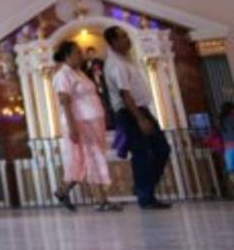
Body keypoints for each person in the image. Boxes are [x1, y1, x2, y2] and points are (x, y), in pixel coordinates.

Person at [102, 26, 172, 209]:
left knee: (162, 149)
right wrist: (140, 119)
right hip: (130, 113)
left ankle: (143, 188)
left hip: (140, 110)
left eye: (126, 36)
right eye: (123, 37)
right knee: (142, 154)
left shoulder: (125, 60)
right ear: (113, 42)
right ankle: (145, 196)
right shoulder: (116, 65)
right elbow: (125, 94)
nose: (127, 39)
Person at [51, 41, 121, 212]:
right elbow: (65, 102)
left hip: (94, 121)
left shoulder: (79, 73)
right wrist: (72, 127)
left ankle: (63, 191)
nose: (81, 56)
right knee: (93, 157)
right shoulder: (63, 75)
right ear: (68, 55)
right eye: (77, 53)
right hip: (81, 122)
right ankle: (101, 200)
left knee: (85, 160)